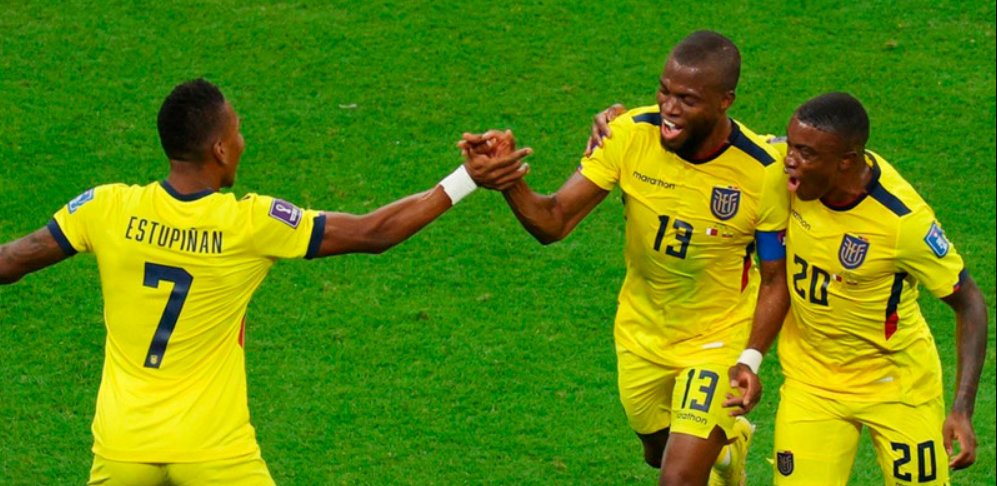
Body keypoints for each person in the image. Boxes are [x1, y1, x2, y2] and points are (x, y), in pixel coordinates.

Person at [0, 78, 530, 485]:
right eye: (236, 131)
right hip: (213, 451)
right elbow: (374, 232)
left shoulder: (105, 207)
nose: (242, 139)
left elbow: (10, 261)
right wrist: (467, 179)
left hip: (122, 448)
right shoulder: (249, 223)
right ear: (220, 150)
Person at [460, 31, 790, 486]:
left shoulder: (763, 172)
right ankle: (728, 450)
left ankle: (714, 446)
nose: (669, 108)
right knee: (658, 453)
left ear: (724, 101)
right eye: (664, 91)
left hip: (717, 338)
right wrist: (509, 179)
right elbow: (554, 221)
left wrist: (750, 359)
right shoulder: (630, 134)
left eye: (687, 99)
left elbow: (775, 278)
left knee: (677, 477)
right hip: (642, 332)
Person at [724, 92, 986, 486]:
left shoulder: (902, 222)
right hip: (812, 383)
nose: (790, 159)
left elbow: (970, 303)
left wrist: (962, 409)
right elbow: (714, 128)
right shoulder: (787, 170)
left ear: (846, 160)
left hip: (897, 387)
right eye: (791, 145)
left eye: (805, 153)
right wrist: (627, 123)